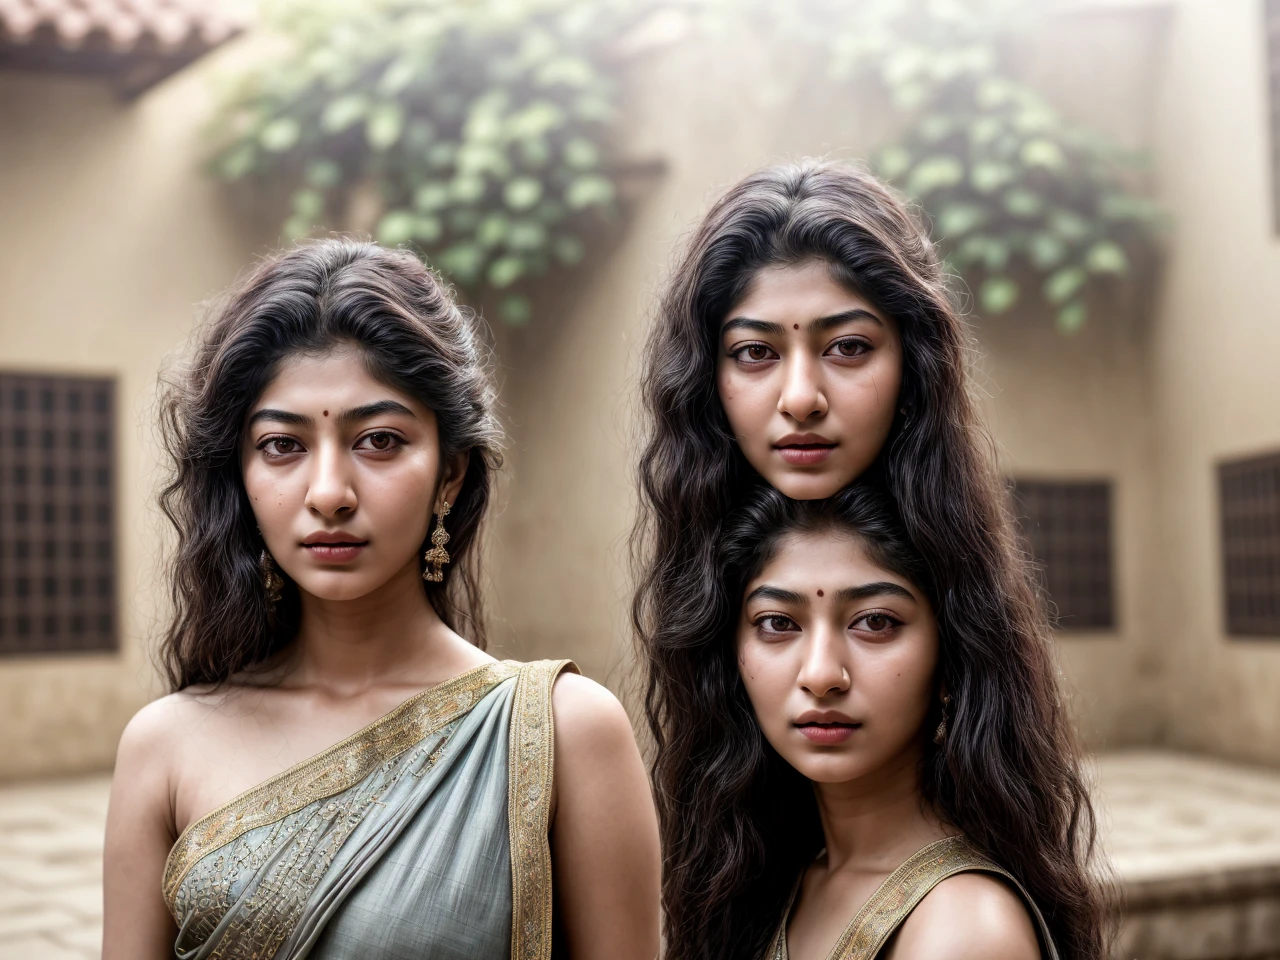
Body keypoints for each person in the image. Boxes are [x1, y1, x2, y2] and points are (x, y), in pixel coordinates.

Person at [103, 239, 660, 960]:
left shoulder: (561, 735)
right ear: (238, 474)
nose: (329, 493)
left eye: (380, 440)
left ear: (451, 474)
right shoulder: (166, 745)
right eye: (282, 446)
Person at [633, 160, 1106, 959]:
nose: (801, 397)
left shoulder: (963, 929)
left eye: (847, 346)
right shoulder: (770, 873)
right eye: (754, 352)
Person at [705, 484, 1078, 960]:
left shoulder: (964, 932)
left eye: (875, 622)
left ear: (951, 660)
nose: (821, 675)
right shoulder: (778, 879)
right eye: (779, 623)